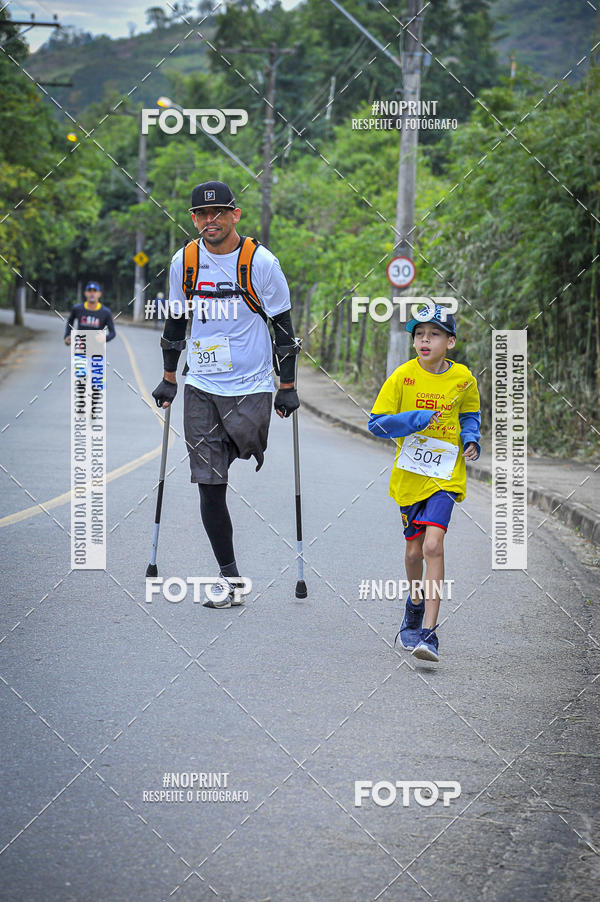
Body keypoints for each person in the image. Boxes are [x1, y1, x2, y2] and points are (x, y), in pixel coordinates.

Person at [151, 180, 300, 609]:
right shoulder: (186, 261)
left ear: (235, 215)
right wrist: (169, 377)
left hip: (252, 386)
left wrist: (286, 386)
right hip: (201, 385)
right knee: (209, 484)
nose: (209, 221)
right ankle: (229, 577)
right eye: (201, 214)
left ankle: (221, 455)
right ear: (193, 219)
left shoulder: (261, 263)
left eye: (218, 213)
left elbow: (283, 329)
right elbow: (176, 322)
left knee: (244, 446)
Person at [368, 305, 481, 662]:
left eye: (433, 334)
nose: (424, 340)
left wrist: (471, 438)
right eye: (419, 334)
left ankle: (429, 634)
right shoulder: (402, 377)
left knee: (434, 546)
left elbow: (470, 414)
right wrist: (415, 419)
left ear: (450, 341)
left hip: (446, 474)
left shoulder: (463, 378)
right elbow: (377, 424)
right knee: (414, 552)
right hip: (410, 476)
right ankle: (414, 603)